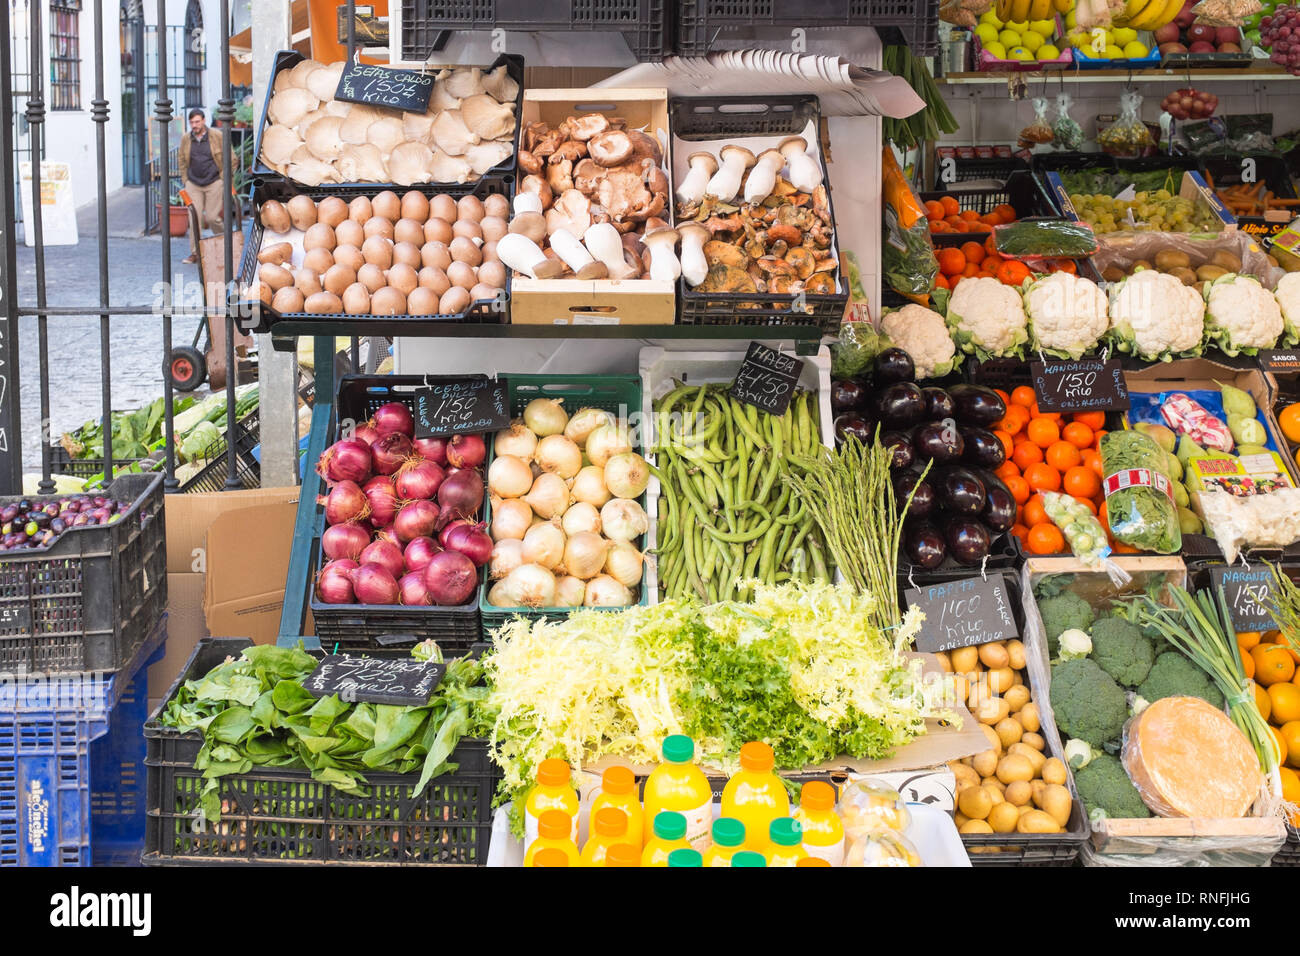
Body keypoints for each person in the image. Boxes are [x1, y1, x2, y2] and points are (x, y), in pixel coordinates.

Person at [178, 108, 225, 264]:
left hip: (214, 182)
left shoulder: (216, 136)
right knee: (194, 218)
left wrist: (223, 179)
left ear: (204, 121)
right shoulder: (186, 138)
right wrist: (186, 180)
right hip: (194, 183)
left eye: (197, 121)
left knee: (212, 218)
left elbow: (231, 159)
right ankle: (195, 253)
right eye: (191, 122)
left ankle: (226, 246)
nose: (194, 125)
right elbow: (182, 161)